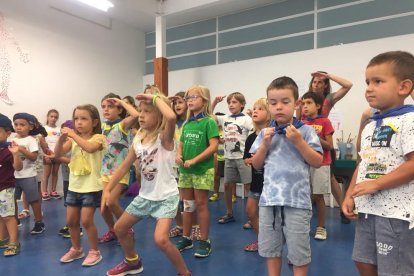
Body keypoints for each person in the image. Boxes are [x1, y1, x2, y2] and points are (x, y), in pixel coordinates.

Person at [342, 51, 414, 276]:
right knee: (363, 262)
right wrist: (349, 194)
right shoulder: (372, 123)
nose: (369, 88)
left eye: (378, 81)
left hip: (395, 215)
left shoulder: (409, 120)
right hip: (367, 210)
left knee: (394, 270)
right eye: (367, 82)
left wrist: (377, 184)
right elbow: (364, 162)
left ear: (403, 87)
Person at [103, 93, 191, 276]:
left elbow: (172, 116)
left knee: (161, 240)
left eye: (147, 112)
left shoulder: (165, 140)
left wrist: (154, 98)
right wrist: (108, 189)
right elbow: (123, 166)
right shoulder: (138, 140)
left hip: (166, 197)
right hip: (145, 196)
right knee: (119, 228)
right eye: (140, 111)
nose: (141, 115)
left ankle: (184, 272)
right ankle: (132, 261)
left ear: (159, 116)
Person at [250, 76, 322, 276]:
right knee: (271, 249)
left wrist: (299, 142)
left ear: (296, 104)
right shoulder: (265, 133)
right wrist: (264, 144)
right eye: (273, 103)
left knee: (299, 252)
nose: (278, 107)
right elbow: (256, 165)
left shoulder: (306, 131)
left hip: (297, 202)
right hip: (270, 201)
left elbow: (317, 161)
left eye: (285, 102)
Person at [54, 104, 106, 266]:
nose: (79, 122)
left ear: (95, 121)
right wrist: (62, 139)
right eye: (76, 119)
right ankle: (76, 249)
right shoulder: (73, 140)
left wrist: (72, 135)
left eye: (84, 118)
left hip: (91, 187)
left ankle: (94, 251)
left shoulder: (99, 139)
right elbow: (57, 154)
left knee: (87, 221)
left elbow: (90, 148)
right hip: (74, 187)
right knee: (71, 221)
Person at [299, 71, 353, 224]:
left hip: (322, 142)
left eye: (320, 82)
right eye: (314, 82)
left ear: (325, 85)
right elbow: (297, 121)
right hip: (306, 145)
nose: (316, 84)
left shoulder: (328, 100)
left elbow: (348, 85)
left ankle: (343, 209)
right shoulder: (304, 100)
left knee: (331, 178)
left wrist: (328, 75)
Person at [175, 85, 219, 258]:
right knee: (187, 205)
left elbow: (214, 145)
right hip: (185, 171)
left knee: (200, 204)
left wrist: (195, 160)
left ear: (205, 100)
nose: (190, 100)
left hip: (202, 170)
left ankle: (204, 240)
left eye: (194, 97)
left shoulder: (209, 121)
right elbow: (181, 144)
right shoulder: (187, 124)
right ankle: (186, 237)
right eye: (188, 97)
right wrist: (179, 155)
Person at [98, 93, 139, 243]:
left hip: (120, 172)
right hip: (105, 172)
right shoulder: (102, 126)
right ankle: (112, 230)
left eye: (110, 106)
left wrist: (121, 102)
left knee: (112, 202)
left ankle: (126, 227)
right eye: (103, 107)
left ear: (119, 109)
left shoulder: (122, 125)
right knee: (103, 208)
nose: (106, 109)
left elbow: (135, 115)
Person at [212, 92, 253, 223]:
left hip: (242, 157)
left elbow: (254, 133)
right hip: (228, 157)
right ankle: (229, 213)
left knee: (248, 186)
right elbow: (210, 117)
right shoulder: (225, 118)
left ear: (242, 104)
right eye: (229, 102)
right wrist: (214, 103)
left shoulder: (246, 119)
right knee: (227, 185)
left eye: (234, 102)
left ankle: (252, 216)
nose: (231, 104)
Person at [302, 92, 335, 240]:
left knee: (318, 196)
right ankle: (303, 225)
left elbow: (329, 145)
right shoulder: (301, 123)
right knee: (305, 196)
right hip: (304, 163)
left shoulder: (325, 121)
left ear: (318, 105)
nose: (305, 106)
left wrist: (314, 136)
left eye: (308, 103)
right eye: (303, 103)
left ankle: (321, 227)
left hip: (321, 164)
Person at [169, 91, 200, 240]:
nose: (177, 105)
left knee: (189, 200)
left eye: (181, 102)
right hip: (174, 166)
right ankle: (180, 225)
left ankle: (194, 225)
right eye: (175, 103)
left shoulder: (192, 122)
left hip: (188, 166)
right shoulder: (171, 122)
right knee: (175, 198)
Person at [243, 98, 271, 252]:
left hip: (271, 184)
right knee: (250, 211)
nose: (255, 111)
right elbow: (246, 158)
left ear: (268, 114)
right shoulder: (251, 138)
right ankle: (263, 241)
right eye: (254, 108)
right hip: (256, 182)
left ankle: (274, 243)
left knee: (273, 218)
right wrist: (249, 160)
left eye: (260, 109)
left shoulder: (273, 135)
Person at [12, 113, 45, 234]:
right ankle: (15, 220)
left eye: (22, 124)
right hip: (14, 176)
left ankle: (39, 223)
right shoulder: (13, 140)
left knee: (33, 200)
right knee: (13, 200)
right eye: (16, 124)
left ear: (30, 127)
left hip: (29, 176)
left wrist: (21, 149)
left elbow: (33, 157)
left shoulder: (31, 140)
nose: (18, 127)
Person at [0, 114, 23, 256]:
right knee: (0, 216)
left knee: (8, 216)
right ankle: (3, 238)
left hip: (5, 188)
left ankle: (14, 242)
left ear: (8, 133)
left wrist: (16, 154)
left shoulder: (10, 149)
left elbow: (18, 167)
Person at [42, 109, 62, 200]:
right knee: (46, 174)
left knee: (55, 173)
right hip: (47, 154)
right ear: (48, 117)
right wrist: (45, 155)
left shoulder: (59, 129)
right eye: (52, 116)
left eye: (56, 117)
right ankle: (44, 192)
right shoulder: (44, 129)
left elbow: (61, 142)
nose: (53, 118)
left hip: (57, 154)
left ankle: (53, 191)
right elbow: (42, 143)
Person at [209, 112, 225, 202]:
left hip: (226, 158)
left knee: (229, 180)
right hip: (217, 158)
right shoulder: (213, 131)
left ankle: (232, 195)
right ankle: (215, 193)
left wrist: (220, 140)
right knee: (216, 177)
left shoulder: (226, 130)